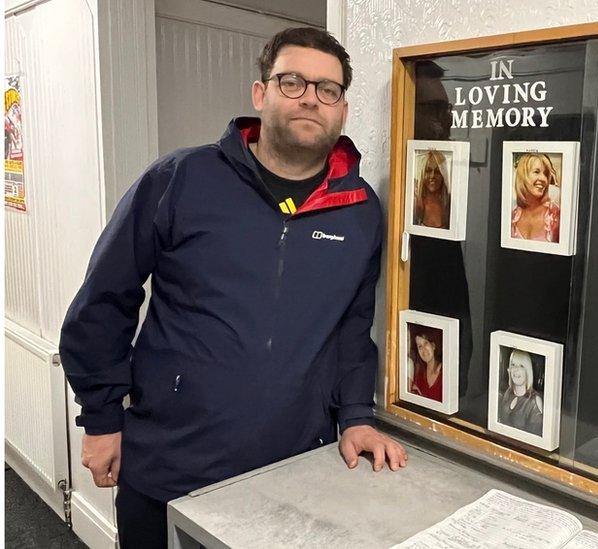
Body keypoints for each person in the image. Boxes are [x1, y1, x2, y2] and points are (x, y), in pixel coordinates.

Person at [58, 28, 406, 549]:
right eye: (293, 82)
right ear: (260, 94)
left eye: (328, 89)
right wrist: (102, 417)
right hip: (169, 466)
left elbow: (352, 329)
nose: (311, 97)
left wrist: (355, 416)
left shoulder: (359, 210)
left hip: (291, 475)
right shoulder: (181, 179)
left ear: (343, 109)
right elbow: (104, 300)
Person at [511, 153, 560, 242]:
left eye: (546, 174)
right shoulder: (512, 215)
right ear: (522, 176)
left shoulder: (555, 215)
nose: (543, 178)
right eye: (536, 172)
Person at [497, 350, 544, 436]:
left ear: (528, 371)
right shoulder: (506, 393)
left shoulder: (535, 402)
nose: (516, 370)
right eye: (513, 365)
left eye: (521, 366)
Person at [413, 150, 451, 229]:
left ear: (443, 174)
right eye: (428, 170)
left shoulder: (449, 202)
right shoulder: (415, 202)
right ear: (422, 173)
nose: (432, 176)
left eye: (437, 171)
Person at [408, 326, 444, 402]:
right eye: (420, 346)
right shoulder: (419, 373)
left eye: (426, 343)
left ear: (433, 345)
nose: (423, 349)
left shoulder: (444, 372)